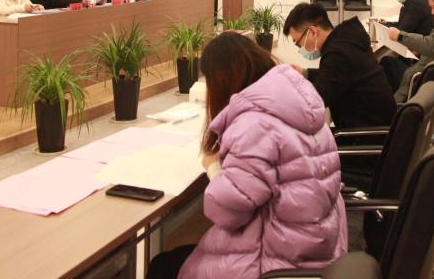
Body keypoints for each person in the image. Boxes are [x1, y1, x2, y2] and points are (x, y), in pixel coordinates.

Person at [148, 33, 347, 278]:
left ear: (222, 80)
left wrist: (213, 167)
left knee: (162, 266)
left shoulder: (255, 125)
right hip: (313, 248)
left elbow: (227, 213)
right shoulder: (298, 104)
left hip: (276, 261)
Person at [282, 3, 396, 130]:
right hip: (378, 125)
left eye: (298, 43)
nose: (300, 49)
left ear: (313, 32)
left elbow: (314, 101)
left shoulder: (337, 53)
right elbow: (336, 75)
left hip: (367, 134)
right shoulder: (345, 39)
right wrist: (305, 73)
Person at [379, 0, 434, 89]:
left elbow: (402, 30)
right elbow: (405, 24)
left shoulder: (415, 3)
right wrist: (387, 24)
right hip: (420, 51)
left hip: (418, 56)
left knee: (384, 61)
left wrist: (387, 28)